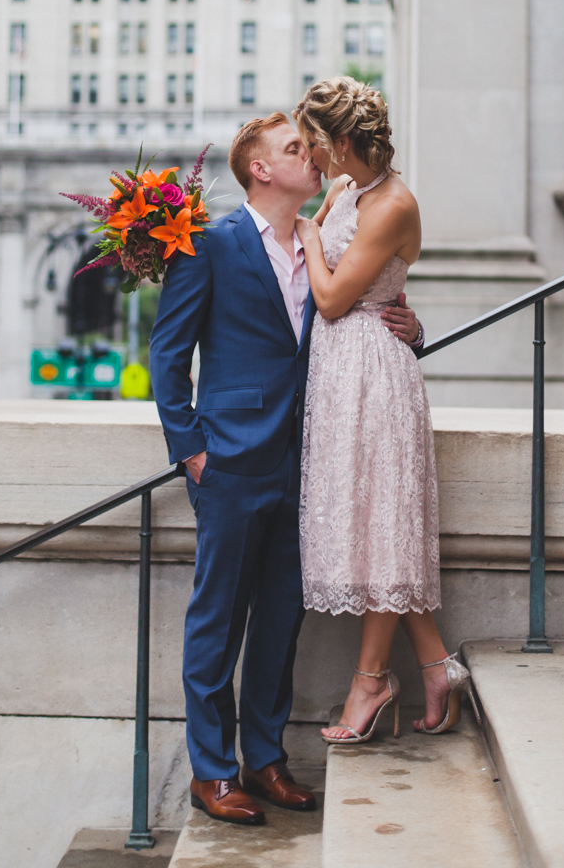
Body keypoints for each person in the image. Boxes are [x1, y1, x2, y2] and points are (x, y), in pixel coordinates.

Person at [150, 112, 425, 824]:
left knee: (279, 622)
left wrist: (411, 325)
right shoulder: (210, 243)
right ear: (261, 170)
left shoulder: (326, 233)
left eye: (310, 144)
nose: (313, 154)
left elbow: (367, 303)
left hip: (308, 462)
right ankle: (211, 772)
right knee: (217, 622)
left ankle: (266, 760)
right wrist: (191, 448)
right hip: (231, 463)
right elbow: (168, 354)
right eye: (295, 148)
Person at [293, 76, 477, 744]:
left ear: (343, 140)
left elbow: (336, 298)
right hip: (340, 375)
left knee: (380, 525)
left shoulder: (394, 202)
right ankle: (435, 667)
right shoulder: (345, 188)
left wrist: (308, 238)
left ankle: (372, 682)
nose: (311, 157)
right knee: (372, 525)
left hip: (374, 371)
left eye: (315, 143)